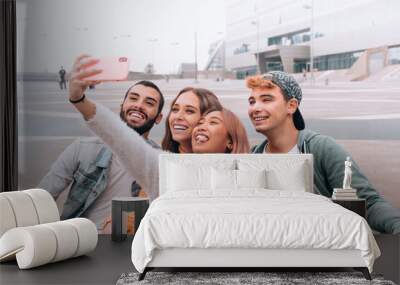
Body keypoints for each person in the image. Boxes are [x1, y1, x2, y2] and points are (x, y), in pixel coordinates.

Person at [67, 55, 249, 202]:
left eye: (191, 111)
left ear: (230, 140)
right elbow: (121, 137)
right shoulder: (164, 166)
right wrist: (79, 100)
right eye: (175, 109)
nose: (177, 116)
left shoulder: (240, 179)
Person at [246, 71, 400, 234]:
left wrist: (396, 225)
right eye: (251, 101)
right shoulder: (253, 158)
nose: (255, 108)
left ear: (291, 105)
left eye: (266, 99)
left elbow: (368, 202)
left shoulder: (321, 148)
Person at [39, 79, 164, 233]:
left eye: (149, 103)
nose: (138, 105)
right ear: (122, 106)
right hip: (79, 242)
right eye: (133, 98)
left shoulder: (162, 164)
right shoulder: (83, 149)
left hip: (131, 246)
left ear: (158, 118)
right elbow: (42, 197)